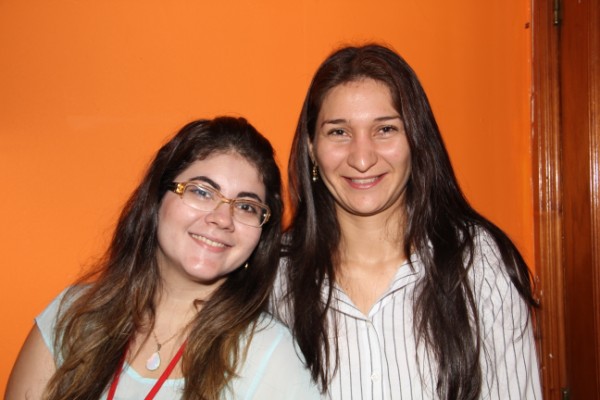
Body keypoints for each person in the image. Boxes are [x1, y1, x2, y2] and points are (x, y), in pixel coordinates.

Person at [273, 44, 542, 399]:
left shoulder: (479, 263)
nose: (362, 158)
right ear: (311, 147)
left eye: (385, 129)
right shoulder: (276, 276)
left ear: (416, 139)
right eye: (339, 132)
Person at [6, 117, 320, 400]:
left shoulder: (269, 356)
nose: (223, 218)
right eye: (201, 192)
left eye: (246, 207)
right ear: (157, 199)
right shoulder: (72, 316)